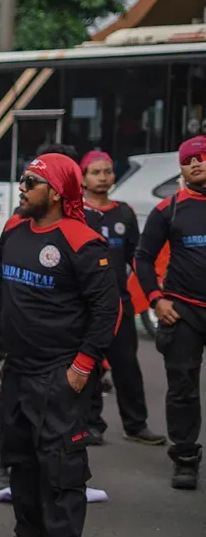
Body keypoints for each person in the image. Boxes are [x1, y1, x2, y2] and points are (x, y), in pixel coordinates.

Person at [0, 153, 118, 537]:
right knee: (19, 457)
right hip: (18, 369)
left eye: (31, 182)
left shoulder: (83, 242)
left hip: (62, 371)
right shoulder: (15, 229)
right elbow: (0, 289)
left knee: (61, 464)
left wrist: (84, 364)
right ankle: (29, 535)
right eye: (22, 180)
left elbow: (107, 311)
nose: (21, 188)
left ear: (56, 192)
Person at [135, 135, 206, 492]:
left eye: (202, 158)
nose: (196, 164)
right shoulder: (170, 209)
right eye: (189, 160)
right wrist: (156, 300)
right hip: (183, 311)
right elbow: (143, 258)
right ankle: (185, 459)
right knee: (183, 389)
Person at [80, 150, 162, 446]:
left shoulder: (124, 213)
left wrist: (154, 294)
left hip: (118, 305)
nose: (103, 177)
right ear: (83, 177)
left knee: (127, 365)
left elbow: (138, 258)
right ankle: (91, 424)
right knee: (87, 367)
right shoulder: (76, 211)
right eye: (95, 172)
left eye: (107, 171)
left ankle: (136, 425)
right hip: (84, 307)